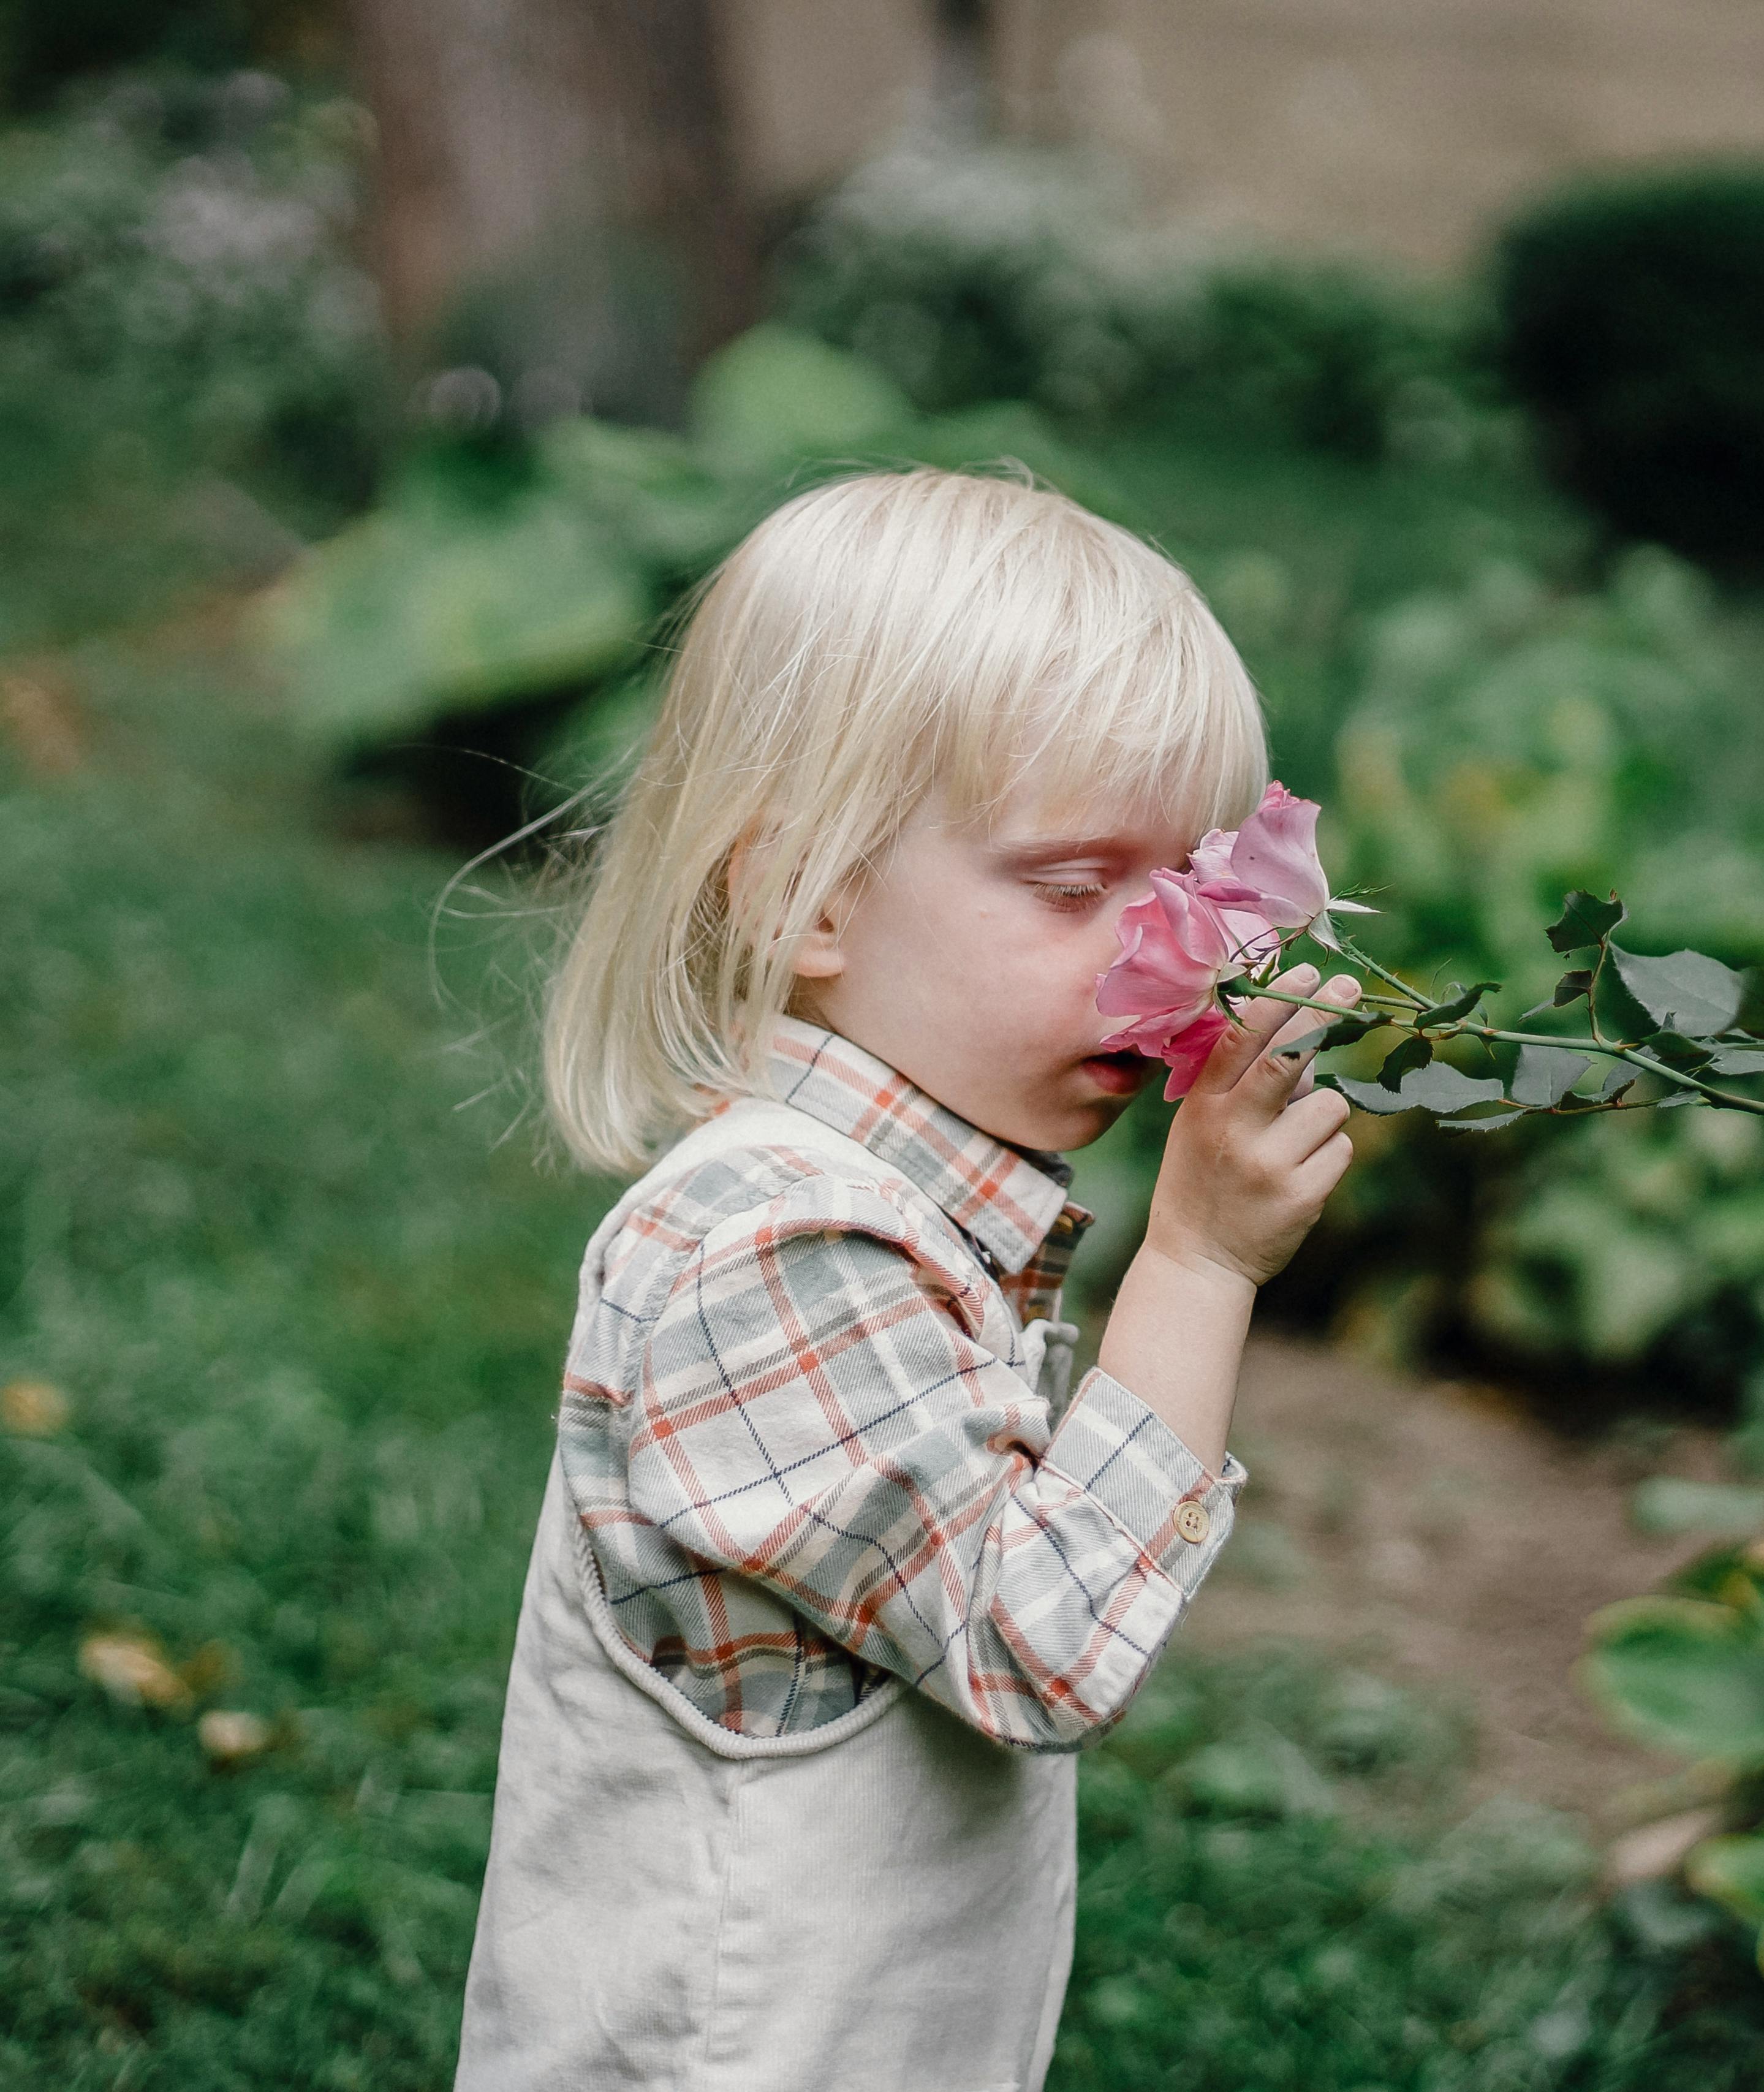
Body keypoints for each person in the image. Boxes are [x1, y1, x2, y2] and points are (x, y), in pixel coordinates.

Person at [456, 468, 1357, 2090]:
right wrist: (1201, 1262)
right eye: (1080, 890)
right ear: (799, 895)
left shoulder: (894, 1213)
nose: (1178, 957)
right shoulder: (775, 1252)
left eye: (1195, 892)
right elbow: (1038, 1644)